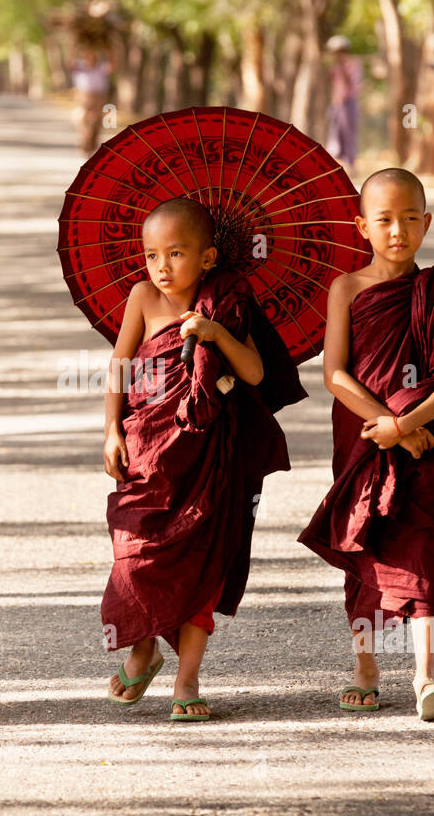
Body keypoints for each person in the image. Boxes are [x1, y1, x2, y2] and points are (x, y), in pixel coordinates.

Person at [298, 168, 434, 721]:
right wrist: (392, 425)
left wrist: (411, 423)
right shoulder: (346, 288)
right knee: (367, 541)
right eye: (385, 220)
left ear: (427, 223)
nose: (398, 230)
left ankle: (426, 677)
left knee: (424, 550)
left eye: (410, 219)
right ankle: (366, 668)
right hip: (366, 436)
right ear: (362, 226)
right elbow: (335, 375)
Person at [101, 197, 306, 721]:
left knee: (202, 565)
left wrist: (214, 334)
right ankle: (144, 647)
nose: (162, 267)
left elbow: (255, 374)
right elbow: (120, 366)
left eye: (177, 252)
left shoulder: (228, 302)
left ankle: (187, 678)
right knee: (136, 550)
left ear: (209, 257)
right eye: (152, 255)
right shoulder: (143, 299)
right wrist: (109, 430)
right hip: (149, 450)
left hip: (209, 459)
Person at [325, 35, 363, 171]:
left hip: (348, 103)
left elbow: (352, 84)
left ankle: (351, 164)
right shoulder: (335, 67)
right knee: (335, 134)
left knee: (348, 134)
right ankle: (336, 164)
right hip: (336, 105)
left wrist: (343, 68)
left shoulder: (353, 64)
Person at [71, 44, 113, 156]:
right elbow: (70, 63)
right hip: (83, 96)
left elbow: (111, 67)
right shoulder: (80, 67)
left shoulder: (101, 67)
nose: (90, 57)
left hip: (99, 97)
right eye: (87, 55)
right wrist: (73, 48)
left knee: (96, 121)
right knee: (84, 120)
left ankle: (92, 143)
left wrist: (110, 52)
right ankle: (85, 144)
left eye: (92, 55)